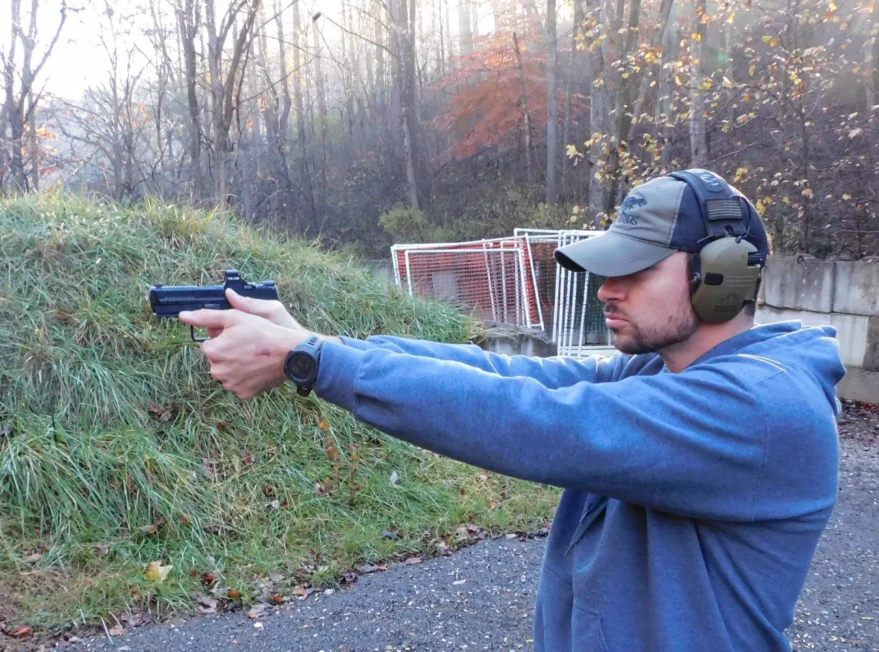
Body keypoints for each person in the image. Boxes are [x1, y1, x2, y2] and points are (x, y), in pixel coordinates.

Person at [179, 169, 845, 652]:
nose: (606, 291)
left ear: (721, 274)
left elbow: (533, 420)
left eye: (636, 272)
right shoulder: (665, 367)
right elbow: (514, 374)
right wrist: (317, 343)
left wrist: (310, 363)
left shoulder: (760, 407)